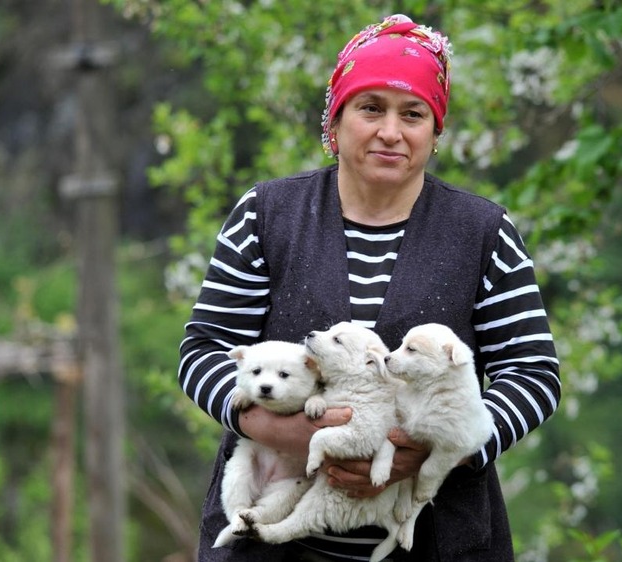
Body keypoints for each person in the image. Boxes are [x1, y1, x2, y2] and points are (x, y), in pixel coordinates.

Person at [179, 14, 561, 562]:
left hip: (436, 535)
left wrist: (436, 451)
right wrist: (274, 428)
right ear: (336, 120)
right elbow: (204, 350)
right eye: (370, 108)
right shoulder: (265, 216)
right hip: (270, 529)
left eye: (413, 114)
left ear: (436, 131)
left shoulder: (484, 233)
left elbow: (534, 375)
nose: (391, 131)